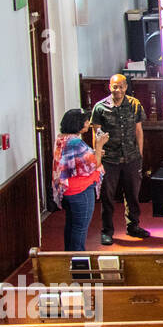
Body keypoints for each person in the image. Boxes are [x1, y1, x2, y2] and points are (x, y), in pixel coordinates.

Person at [91, 73, 151, 245]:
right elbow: (96, 134)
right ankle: (107, 231)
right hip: (109, 158)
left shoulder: (134, 104)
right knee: (107, 197)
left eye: (121, 86)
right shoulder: (100, 107)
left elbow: (139, 131)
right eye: (114, 86)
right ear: (109, 87)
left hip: (131, 157)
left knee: (132, 194)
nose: (118, 90)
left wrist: (139, 154)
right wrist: (98, 158)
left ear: (126, 87)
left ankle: (133, 226)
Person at [53, 108, 105, 252]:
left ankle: (69, 259)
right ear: (78, 124)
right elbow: (95, 164)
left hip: (68, 190)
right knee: (80, 229)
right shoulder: (76, 142)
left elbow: (76, 161)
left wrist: (94, 153)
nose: (88, 123)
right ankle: (79, 267)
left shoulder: (62, 138)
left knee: (71, 226)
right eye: (86, 121)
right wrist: (99, 147)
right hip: (81, 190)